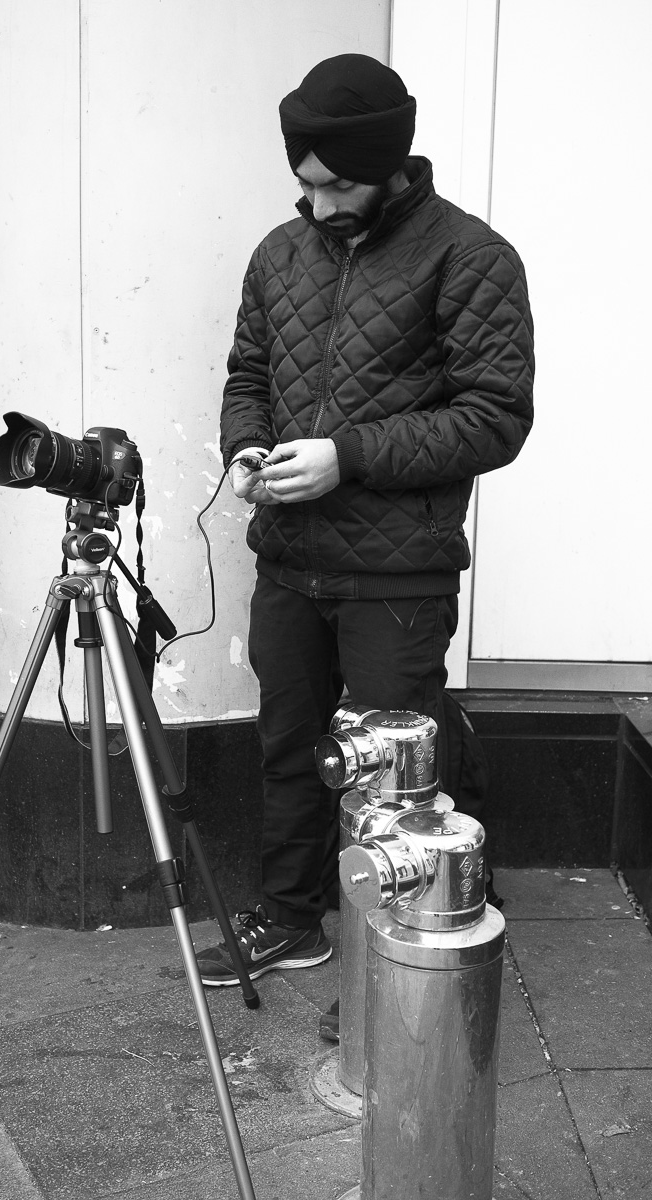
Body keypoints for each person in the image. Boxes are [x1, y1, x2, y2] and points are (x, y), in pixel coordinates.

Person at [196, 54, 534, 1036]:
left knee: (395, 780)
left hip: (397, 573)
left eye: (334, 185)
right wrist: (246, 445)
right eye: (299, 184)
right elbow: (246, 375)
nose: (313, 205)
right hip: (289, 561)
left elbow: (493, 417)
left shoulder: (470, 258)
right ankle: (289, 916)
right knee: (288, 748)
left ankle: (398, 968)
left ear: (388, 166)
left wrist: (346, 457)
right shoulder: (276, 253)